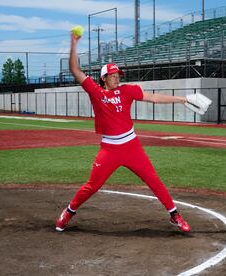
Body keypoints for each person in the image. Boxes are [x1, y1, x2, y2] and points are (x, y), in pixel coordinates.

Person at [55, 32, 190, 233]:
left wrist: (182, 99)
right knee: (92, 185)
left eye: (118, 75)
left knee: (153, 179)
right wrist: (73, 44)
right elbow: (75, 69)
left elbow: (152, 97)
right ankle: (69, 211)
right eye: (113, 75)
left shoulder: (127, 90)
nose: (117, 78)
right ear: (104, 78)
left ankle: (175, 215)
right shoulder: (96, 92)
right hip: (109, 149)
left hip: (131, 146)